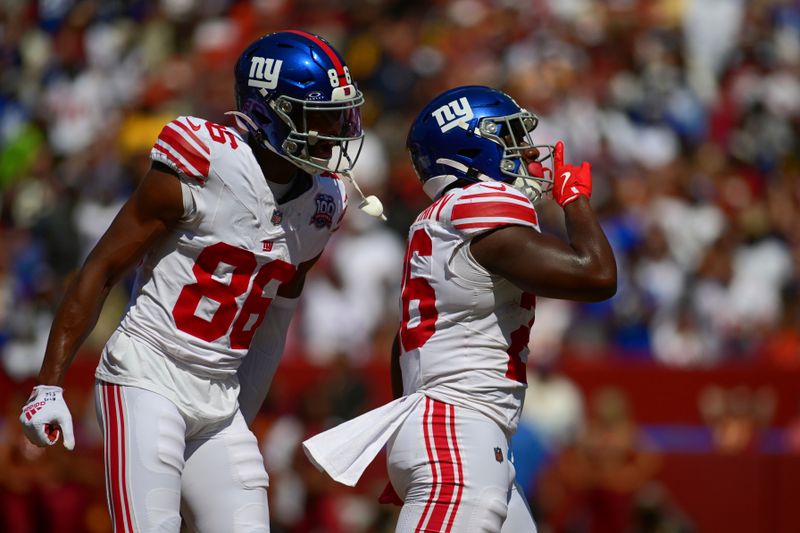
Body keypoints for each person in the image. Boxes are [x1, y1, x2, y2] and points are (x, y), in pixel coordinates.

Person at [19, 30, 371, 532]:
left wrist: (240, 417)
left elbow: (275, 322)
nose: (335, 131)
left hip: (220, 399)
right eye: (319, 118)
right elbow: (102, 268)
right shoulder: (206, 161)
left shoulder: (322, 204)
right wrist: (49, 385)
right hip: (146, 377)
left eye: (340, 115)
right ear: (269, 111)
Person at [302, 85, 617, 532]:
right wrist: (576, 203)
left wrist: (408, 438)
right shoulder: (479, 203)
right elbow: (597, 276)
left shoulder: (440, 217)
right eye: (509, 138)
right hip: (458, 435)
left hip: (455, 433)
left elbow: (403, 342)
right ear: (473, 147)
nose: (528, 151)